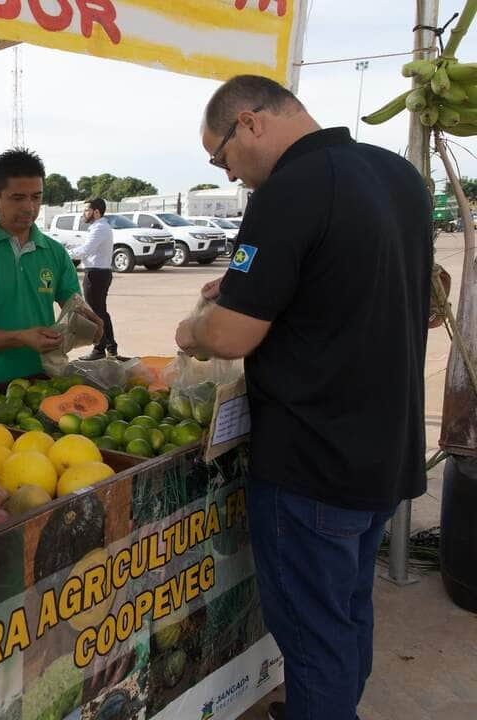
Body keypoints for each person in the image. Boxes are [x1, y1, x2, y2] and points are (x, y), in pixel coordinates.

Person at [174, 75, 431, 720]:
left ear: (251, 123)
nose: (232, 176)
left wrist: (196, 328)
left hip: (312, 463)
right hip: (381, 451)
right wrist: (241, 292)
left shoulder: (289, 188)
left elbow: (230, 335)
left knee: (314, 639)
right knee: (346, 614)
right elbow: (343, 290)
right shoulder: (397, 175)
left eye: (221, 156)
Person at [0, 148, 103, 390]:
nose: (30, 208)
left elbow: (75, 311)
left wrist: (90, 326)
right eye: (18, 198)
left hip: (43, 384)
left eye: (36, 197)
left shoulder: (55, 252)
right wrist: (21, 337)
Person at [70, 197, 117, 360]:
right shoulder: (100, 227)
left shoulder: (99, 228)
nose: (84, 213)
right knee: (102, 312)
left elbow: (86, 250)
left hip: (95, 274)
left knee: (95, 313)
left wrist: (65, 254)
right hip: (101, 273)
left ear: (96, 212)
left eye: (87, 210)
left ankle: (99, 349)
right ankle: (111, 347)